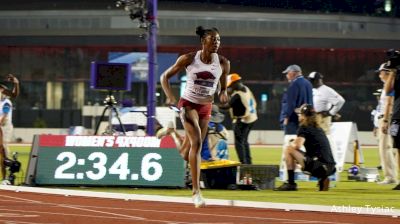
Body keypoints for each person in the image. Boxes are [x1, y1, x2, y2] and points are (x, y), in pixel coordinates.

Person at [160, 26, 229, 207]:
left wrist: (223, 93)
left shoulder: (223, 63)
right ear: (203, 41)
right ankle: (196, 192)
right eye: (213, 39)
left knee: (186, 153)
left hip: (206, 107)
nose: (216, 43)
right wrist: (170, 96)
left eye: (219, 40)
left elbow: (223, 84)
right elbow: (164, 77)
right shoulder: (189, 59)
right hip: (188, 104)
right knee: (197, 143)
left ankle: (172, 133)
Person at [275, 104, 336, 191]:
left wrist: (292, 142)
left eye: (300, 114)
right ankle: (322, 178)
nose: (298, 115)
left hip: (320, 167)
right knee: (304, 157)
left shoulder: (304, 127)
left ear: (304, 116)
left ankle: (291, 183)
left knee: (289, 149)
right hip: (331, 167)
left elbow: (297, 145)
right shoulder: (319, 128)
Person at [279, 65, 313, 181]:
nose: (287, 76)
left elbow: (290, 103)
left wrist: (287, 117)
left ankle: (290, 178)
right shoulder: (308, 83)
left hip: (293, 120)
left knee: (290, 147)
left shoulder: (294, 84)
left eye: (287, 73)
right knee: (305, 146)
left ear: (293, 73)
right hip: (306, 120)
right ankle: (306, 172)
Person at [307, 71, 345, 171]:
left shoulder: (327, 90)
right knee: (316, 141)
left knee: (326, 140)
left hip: (322, 118)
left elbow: (340, 101)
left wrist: (330, 113)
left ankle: (334, 163)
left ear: (319, 80)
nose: (311, 82)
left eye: (312, 80)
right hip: (314, 117)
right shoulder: (314, 90)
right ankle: (320, 163)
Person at [222, 73, 257, 164]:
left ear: (235, 83)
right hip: (252, 118)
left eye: (231, 86)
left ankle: (243, 163)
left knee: (238, 143)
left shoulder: (237, 95)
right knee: (244, 141)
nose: (230, 88)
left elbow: (226, 106)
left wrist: (213, 106)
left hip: (243, 120)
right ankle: (248, 163)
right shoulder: (246, 89)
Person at [381, 63, 400, 190]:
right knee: (398, 148)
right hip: (397, 118)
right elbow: (388, 91)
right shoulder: (395, 78)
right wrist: (393, 73)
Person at [0, 74, 19, 184]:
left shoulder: (2, 91)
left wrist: (16, 83)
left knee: (3, 150)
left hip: (4, 126)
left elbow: (14, 95)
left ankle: (6, 177)